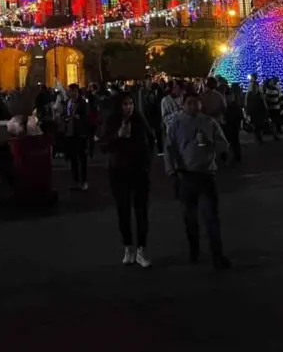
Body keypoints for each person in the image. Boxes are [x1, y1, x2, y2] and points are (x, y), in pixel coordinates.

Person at [164, 93, 231, 270]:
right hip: (186, 175)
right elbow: (169, 149)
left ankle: (217, 253)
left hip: (206, 175)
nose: (193, 106)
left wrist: (210, 144)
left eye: (196, 103)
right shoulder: (176, 124)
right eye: (189, 103)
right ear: (183, 105)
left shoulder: (209, 122)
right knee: (190, 217)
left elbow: (223, 144)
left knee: (211, 217)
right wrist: (172, 171)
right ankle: (194, 248)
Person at [100, 92, 154, 267]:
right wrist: (118, 136)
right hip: (118, 172)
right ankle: (128, 247)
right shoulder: (111, 122)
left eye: (131, 103)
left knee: (141, 212)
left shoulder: (140, 120)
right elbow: (103, 145)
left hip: (139, 171)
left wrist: (147, 162)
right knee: (123, 211)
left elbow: (150, 140)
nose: (129, 107)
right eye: (125, 104)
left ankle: (141, 250)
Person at [64, 85, 90, 190]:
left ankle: (84, 180)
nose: (72, 93)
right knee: (73, 158)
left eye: (73, 91)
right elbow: (65, 114)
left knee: (82, 158)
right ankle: (76, 180)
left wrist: (78, 118)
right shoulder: (68, 102)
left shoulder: (82, 103)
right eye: (70, 91)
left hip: (80, 133)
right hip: (70, 133)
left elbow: (86, 117)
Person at [245, 75, 272, 143]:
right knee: (257, 123)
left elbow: (248, 97)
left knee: (257, 123)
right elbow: (262, 97)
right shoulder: (255, 91)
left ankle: (258, 137)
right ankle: (258, 137)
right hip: (256, 109)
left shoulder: (253, 91)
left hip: (256, 109)